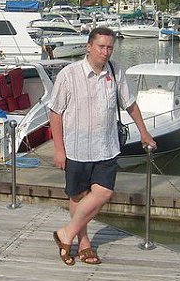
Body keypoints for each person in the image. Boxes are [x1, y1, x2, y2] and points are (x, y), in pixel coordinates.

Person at [48, 26, 156, 266]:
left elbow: (130, 104)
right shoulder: (69, 74)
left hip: (106, 146)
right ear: (89, 47)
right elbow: (55, 113)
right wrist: (59, 150)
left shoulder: (115, 71)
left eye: (110, 47)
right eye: (101, 47)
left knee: (104, 193)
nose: (105, 52)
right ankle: (83, 242)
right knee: (78, 196)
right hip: (76, 147)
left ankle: (66, 233)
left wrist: (144, 132)